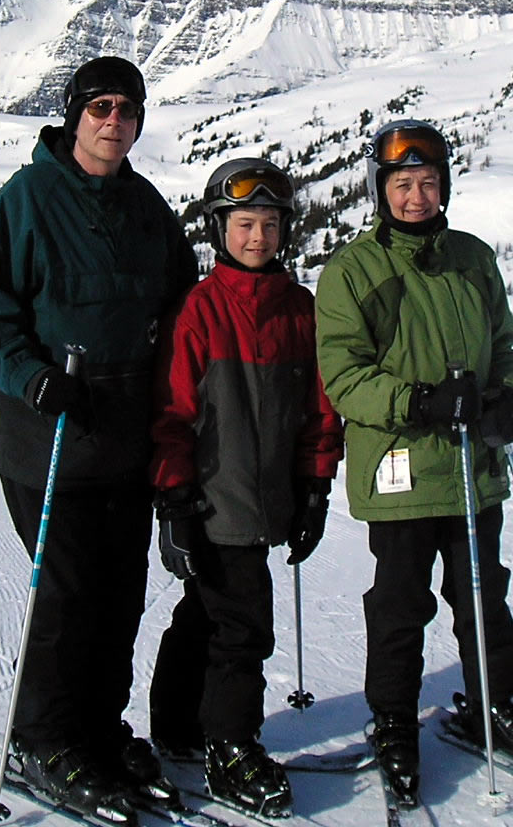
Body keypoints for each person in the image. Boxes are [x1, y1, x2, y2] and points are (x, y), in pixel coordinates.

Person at [0, 56, 199, 822]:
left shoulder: (146, 208)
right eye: (99, 106)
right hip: (49, 436)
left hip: (125, 438)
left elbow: (182, 304)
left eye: (127, 109)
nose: (113, 120)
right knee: (66, 596)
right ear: (72, 114)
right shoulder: (26, 200)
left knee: (120, 594)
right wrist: (31, 378)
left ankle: (97, 726)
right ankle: (43, 734)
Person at [313, 118, 513, 808]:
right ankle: (394, 719)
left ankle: (493, 705)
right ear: (380, 189)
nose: (417, 197)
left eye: (428, 183)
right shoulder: (354, 270)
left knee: (483, 595)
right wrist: (420, 403)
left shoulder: (473, 259)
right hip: (401, 468)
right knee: (399, 604)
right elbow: (342, 374)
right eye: (403, 184)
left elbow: (504, 346)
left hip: (472, 465)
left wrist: (506, 400)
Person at [147, 157, 343, 819]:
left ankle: (177, 725)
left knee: (207, 612)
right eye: (243, 225)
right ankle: (231, 746)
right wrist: (173, 499)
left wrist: (315, 488)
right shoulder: (199, 312)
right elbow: (172, 416)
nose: (257, 238)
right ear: (218, 230)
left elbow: (319, 410)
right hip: (213, 496)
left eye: (268, 224)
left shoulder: (300, 311)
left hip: (271, 499)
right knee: (243, 630)